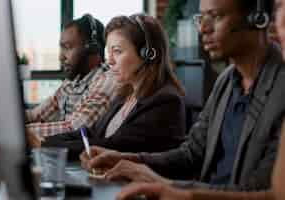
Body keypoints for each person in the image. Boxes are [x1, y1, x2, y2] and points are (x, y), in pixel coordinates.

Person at [81, 0, 285, 191]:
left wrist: (171, 188)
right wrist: (123, 159)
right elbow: (191, 154)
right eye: (201, 18)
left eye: (215, 16)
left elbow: (263, 191)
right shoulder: (226, 81)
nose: (203, 29)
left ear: (257, 18)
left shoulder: (280, 88)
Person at [40, 14, 187, 159]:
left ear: (147, 54)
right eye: (108, 53)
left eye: (117, 51)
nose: (109, 61)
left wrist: (45, 146)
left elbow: (111, 146)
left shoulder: (165, 101)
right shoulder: (124, 96)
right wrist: (44, 141)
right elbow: (90, 133)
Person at [25, 14, 116, 140]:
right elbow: (35, 115)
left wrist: (20, 132)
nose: (61, 57)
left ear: (92, 49)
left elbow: (75, 128)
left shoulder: (106, 80)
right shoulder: (72, 82)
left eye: (67, 47)